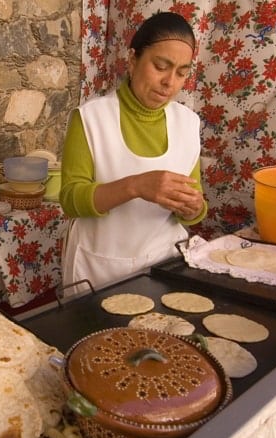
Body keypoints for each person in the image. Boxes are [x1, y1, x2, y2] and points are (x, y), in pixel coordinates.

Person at [59, 11, 207, 293]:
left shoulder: (188, 123)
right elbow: (71, 199)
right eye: (161, 66)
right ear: (132, 60)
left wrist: (194, 207)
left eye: (182, 72)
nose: (170, 82)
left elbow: (193, 206)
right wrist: (136, 185)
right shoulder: (91, 119)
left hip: (164, 266)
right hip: (97, 269)